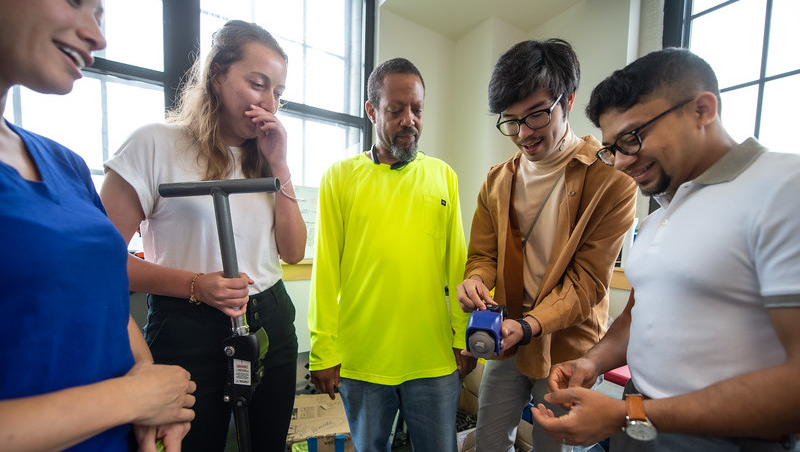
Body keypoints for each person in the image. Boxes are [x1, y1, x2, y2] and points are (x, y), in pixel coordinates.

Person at [531, 48, 800, 451]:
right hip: (638, 414)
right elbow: (638, 315)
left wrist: (626, 415)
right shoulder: (659, 214)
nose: (620, 162)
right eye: (612, 148)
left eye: (632, 138)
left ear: (702, 110)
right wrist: (593, 361)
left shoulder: (782, 188)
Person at [100, 20, 306, 452]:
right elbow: (100, 263)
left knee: (267, 444)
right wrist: (196, 285)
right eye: (257, 84)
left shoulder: (266, 158)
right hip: (187, 323)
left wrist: (280, 165)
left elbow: (293, 251)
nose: (269, 103)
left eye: (279, 93)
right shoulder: (154, 145)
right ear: (217, 75)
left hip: (268, 317)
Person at [0, 0, 197, 451]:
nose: (98, 37)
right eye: (75, 1)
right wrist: (131, 398)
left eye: (102, 15)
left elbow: (106, 289)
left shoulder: (65, 164)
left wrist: (148, 381)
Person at [455, 38, 637, 452]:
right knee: (488, 441)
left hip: (568, 347)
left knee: (556, 445)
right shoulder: (497, 180)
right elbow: (483, 254)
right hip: (508, 340)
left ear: (568, 100)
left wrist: (532, 324)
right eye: (511, 121)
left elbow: (588, 282)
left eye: (536, 115)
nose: (523, 134)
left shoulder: (610, 181)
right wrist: (476, 280)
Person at [308, 57, 474, 452]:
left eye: (417, 110)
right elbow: (326, 270)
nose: (409, 120)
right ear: (372, 111)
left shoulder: (443, 176)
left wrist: (463, 334)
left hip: (432, 357)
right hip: (363, 360)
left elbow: (458, 265)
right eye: (395, 110)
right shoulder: (339, 178)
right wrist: (322, 350)